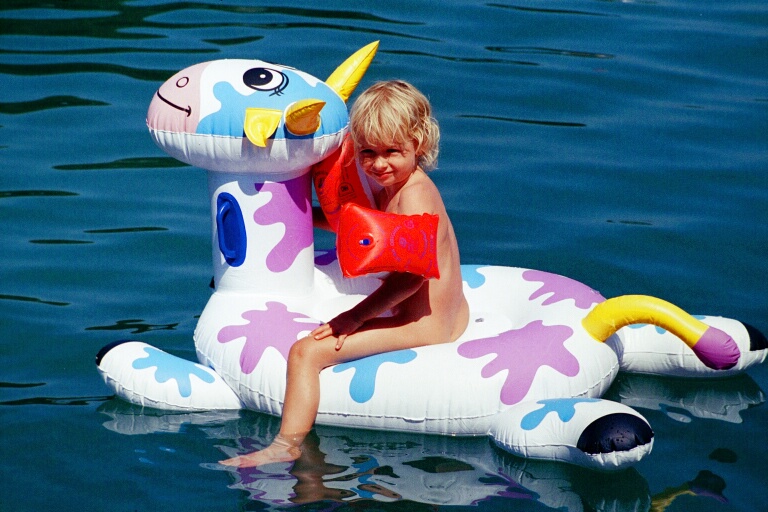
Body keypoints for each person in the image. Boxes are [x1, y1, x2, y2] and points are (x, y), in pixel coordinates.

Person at [220, 80, 469, 467]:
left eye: (392, 152)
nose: (379, 164)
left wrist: (353, 318)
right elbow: (356, 226)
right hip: (450, 312)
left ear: (419, 143)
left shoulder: (415, 196)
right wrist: (298, 215)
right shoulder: (395, 184)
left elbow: (412, 278)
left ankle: (286, 445)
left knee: (305, 353)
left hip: (428, 325)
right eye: (368, 152)